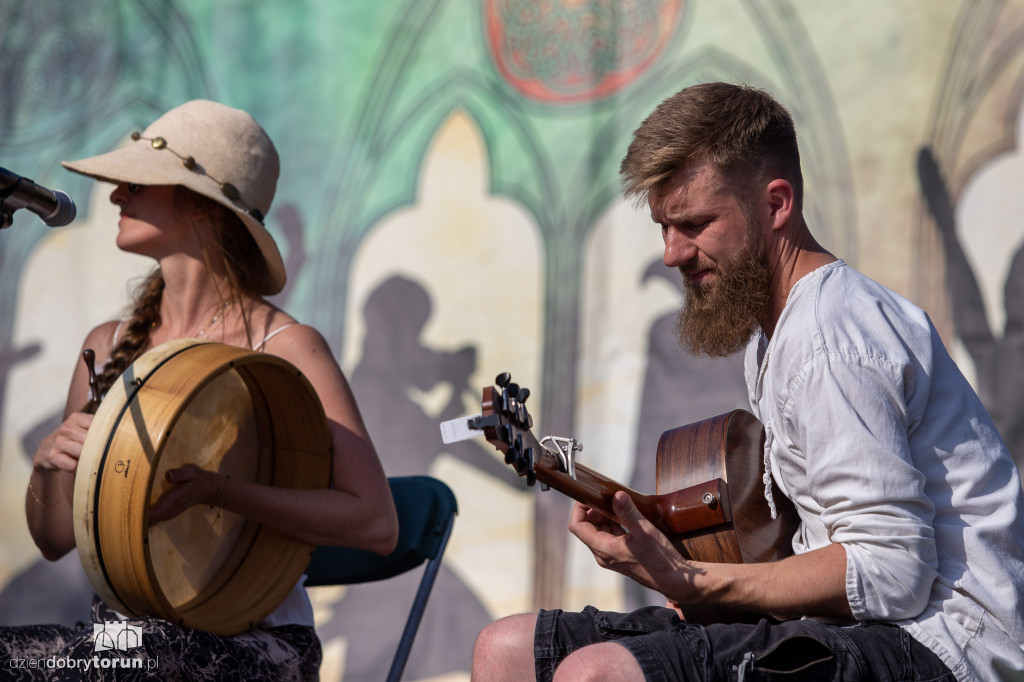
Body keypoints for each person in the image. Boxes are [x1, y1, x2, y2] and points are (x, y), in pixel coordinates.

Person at [470, 82, 1024, 681]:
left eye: (696, 224)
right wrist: (662, 557)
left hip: (945, 646)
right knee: (506, 648)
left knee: (598, 673)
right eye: (663, 227)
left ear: (776, 204)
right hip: (860, 629)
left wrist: (700, 583)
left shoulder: (828, 337)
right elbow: (805, 544)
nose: (671, 254)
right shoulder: (774, 334)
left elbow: (893, 572)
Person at [8, 99, 399, 680]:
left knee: (129, 662)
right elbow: (57, 539)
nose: (116, 196)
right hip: (122, 642)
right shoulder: (108, 342)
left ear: (201, 206)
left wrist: (221, 490)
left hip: (258, 642)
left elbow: (376, 524)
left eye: (137, 183)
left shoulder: (287, 345)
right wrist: (46, 469)